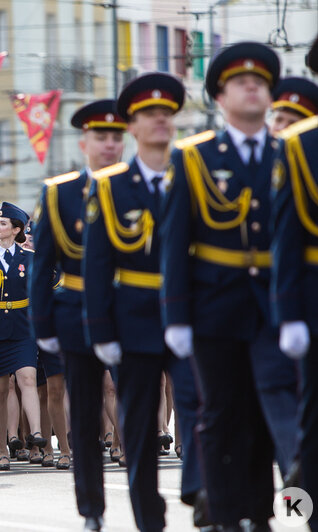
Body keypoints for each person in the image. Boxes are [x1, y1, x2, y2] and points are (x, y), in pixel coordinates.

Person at [160, 42, 281, 531]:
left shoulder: (287, 153)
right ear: (221, 97)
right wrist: (177, 317)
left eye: (260, 83)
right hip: (214, 308)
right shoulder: (194, 157)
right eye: (239, 83)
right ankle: (225, 512)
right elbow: (174, 245)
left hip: (274, 307)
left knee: (265, 411)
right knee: (222, 413)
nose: (251, 88)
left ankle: (261, 513)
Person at [83, 73, 201, 532]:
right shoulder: (111, 186)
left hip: (190, 313)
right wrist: (102, 331)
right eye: (148, 115)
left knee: (196, 403)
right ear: (131, 127)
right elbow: (96, 265)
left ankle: (198, 485)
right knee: (139, 424)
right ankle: (149, 515)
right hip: (134, 316)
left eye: (166, 114)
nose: (159, 121)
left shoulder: (194, 172)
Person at [32, 99, 126, 530]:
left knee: (136, 413)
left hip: (132, 314)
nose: (109, 144)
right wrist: (44, 326)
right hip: (77, 319)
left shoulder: (139, 186)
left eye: (116, 137)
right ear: (84, 142)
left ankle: (146, 504)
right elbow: (42, 265)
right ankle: (92, 509)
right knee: (85, 419)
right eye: (101, 137)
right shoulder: (61, 192)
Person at [271, 33, 318, 530]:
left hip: (286, 307)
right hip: (286, 309)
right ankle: (300, 511)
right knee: (290, 424)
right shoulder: (298, 150)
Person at [0, 202, 47, 472]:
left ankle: (36, 432)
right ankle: (2, 448)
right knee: (0, 390)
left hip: (23, 328)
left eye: (3, 224)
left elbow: (41, 295)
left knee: (27, 377)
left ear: (17, 230)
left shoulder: (30, 258)